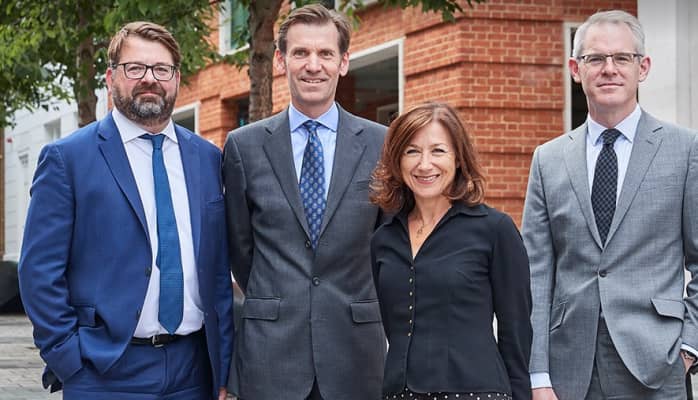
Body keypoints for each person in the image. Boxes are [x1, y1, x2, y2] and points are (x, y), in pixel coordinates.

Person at [18, 21, 234, 400]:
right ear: (110, 77)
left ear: (176, 78)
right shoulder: (68, 159)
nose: (149, 78)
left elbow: (217, 269)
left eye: (161, 69)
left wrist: (223, 363)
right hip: (105, 371)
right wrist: (69, 359)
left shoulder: (207, 158)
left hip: (194, 370)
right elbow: (39, 271)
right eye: (135, 68)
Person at [522, 9, 698, 400]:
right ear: (575, 69)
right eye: (596, 58)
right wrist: (538, 374)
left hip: (658, 364)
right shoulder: (548, 159)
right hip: (570, 369)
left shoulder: (685, 150)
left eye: (622, 58)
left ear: (643, 67)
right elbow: (535, 273)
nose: (609, 69)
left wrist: (689, 346)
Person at [222, 4, 386, 400]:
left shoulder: (381, 144)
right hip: (271, 354)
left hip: (356, 354)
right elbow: (241, 249)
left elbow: (388, 243)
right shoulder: (244, 146)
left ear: (343, 62)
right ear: (281, 60)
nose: (314, 65)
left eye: (325, 53)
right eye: (301, 53)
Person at [370, 102, 532, 400]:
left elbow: (516, 332)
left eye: (438, 151)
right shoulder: (384, 238)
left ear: (458, 158)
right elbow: (392, 328)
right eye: (412, 151)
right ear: (397, 160)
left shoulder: (495, 230)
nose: (424, 164)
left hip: (476, 393)